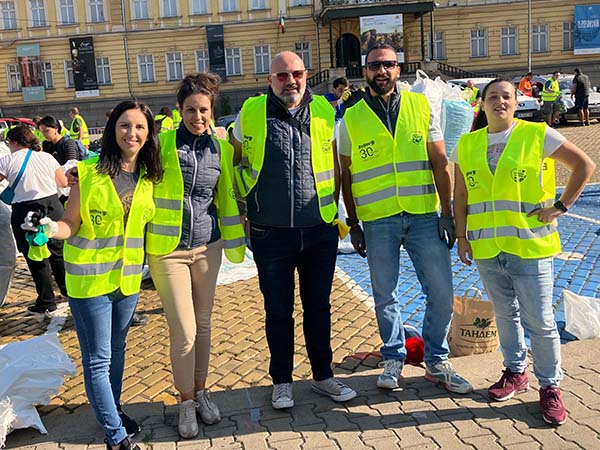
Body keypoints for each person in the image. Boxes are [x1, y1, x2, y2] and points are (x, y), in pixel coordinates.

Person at [452, 78, 595, 426]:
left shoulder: (537, 134)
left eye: (506, 97)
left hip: (529, 246)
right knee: (505, 315)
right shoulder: (467, 145)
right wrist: (461, 237)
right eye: (492, 97)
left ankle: (550, 386)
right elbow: (462, 196)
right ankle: (515, 372)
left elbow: (584, 166)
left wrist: (560, 206)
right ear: (482, 105)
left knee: (541, 322)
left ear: (517, 103)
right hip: (487, 247)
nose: (499, 102)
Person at [24, 100, 164, 449]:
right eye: (125, 126)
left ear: (149, 135)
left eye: (140, 128)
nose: (132, 133)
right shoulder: (88, 173)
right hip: (90, 284)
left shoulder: (148, 179)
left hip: (127, 281)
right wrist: (49, 228)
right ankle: (115, 435)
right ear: (113, 129)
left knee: (117, 351)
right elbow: (71, 223)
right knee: (98, 359)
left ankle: (112, 412)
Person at [339, 43, 473, 394]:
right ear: (364, 72)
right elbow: (346, 175)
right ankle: (394, 357)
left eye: (388, 64)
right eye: (374, 66)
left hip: (424, 217)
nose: (381, 71)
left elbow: (440, 161)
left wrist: (447, 213)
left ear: (399, 69)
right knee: (385, 295)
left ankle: (436, 359)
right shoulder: (350, 116)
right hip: (379, 219)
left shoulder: (420, 105)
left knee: (442, 293)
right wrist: (353, 223)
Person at [231, 51, 357, 410]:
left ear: (306, 75)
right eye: (282, 76)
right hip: (271, 232)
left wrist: (338, 211)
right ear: (270, 80)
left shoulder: (323, 111)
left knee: (319, 307)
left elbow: (334, 161)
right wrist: (244, 211)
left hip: (318, 228)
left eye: (297, 74)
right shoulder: (251, 112)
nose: (291, 81)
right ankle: (282, 381)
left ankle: (323, 376)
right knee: (278, 311)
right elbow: (236, 158)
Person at [146, 72, 246, 439]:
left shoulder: (219, 148)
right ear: (179, 110)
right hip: (168, 251)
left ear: (212, 110)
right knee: (184, 330)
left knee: (203, 325)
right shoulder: (160, 143)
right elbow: (123, 165)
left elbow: (231, 190)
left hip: (208, 247)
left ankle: (202, 392)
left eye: (204, 110)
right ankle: (185, 400)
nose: (198, 117)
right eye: (191, 109)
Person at [0, 125, 68, 315]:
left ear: (13, 142)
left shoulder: (7, 160)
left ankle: (47, 300)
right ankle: (67, 290)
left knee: (35, 256)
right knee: (57, 252)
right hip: (53, 206)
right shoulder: (47, 156)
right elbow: (63, 183)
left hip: (26, 211)